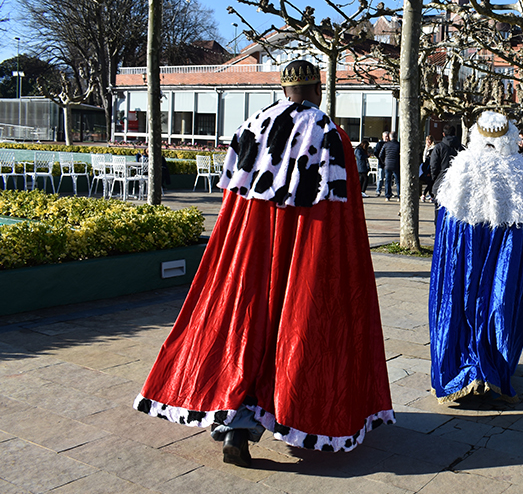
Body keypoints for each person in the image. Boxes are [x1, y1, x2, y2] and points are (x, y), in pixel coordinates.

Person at [134, 60, 394, 468]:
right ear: (318, 88)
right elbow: (343, 218)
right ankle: (292, 412)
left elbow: (230, 204)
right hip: (305, 256)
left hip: (250, 251)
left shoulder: (249, 127)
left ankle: (236, 423)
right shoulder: (331, 135)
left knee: (245, 326)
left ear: (283, 88)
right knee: (294, 329)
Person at [430, 111, 523, 403]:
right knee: (499, 300)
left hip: (467, 247)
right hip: (506, 246)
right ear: (509, 135)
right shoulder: (521, 169)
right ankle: (493, 368)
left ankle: (461, 365)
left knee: (461, 298)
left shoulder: (462, 165)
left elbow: (446, 215)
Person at [429, 124, 462, 198]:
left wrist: (435, 178)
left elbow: (434, 165)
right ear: (455, 133)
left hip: (441, 181)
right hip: (458, 183)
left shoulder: (438, 147)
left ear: (443, 134)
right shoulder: (461, 148)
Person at [381, 131, 401, 201]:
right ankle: (399, 196)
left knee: (387, 181)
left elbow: (381, 155)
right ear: (396, 137)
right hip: (396, 164)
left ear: (390, 137)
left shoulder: (386, 145)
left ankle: (387, 195)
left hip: (387, 164)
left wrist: (384, 162)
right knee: (398, 181)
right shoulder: (399, 145)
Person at [373, 131, 389, 196]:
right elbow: (376, 152)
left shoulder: (390, 144)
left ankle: (388, 191)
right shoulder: (379, 144)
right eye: (386, 136)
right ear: (383, 137)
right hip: (381, 164)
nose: (387, 138)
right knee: (380, 178)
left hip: (388, 164)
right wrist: (381, 160)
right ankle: (378, 190)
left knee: (388, 178)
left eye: (388, 136)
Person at [420, 136, 435, 202]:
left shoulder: (433, 148)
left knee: (430, 183)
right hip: (425, 167)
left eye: (430, 140)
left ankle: (427, 195)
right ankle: (428, 195)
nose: (428, 141)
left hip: (430, 166)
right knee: (430, 183)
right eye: (427, 140)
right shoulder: (425, 148)